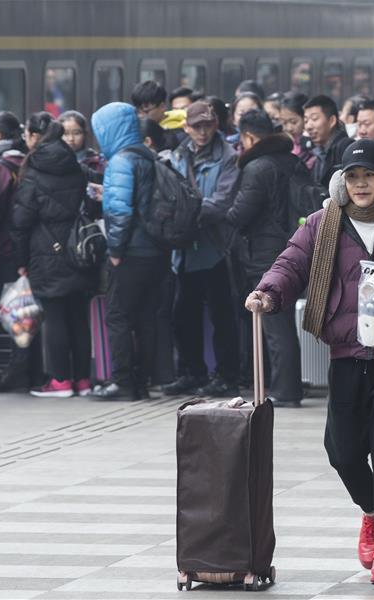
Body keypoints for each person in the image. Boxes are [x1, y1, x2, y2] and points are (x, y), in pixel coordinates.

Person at [247, 138, 374, 584]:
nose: (361, 184)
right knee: (342, 451)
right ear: (342, 181)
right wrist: (268, 292)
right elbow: (292, 262)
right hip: (347, 353)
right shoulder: (324, 223)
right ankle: (372, 511)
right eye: (353, 176)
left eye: (370, 175)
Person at [210, 109, 304, 407]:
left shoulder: (257, 167)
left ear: (249, 136)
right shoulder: (292, 160)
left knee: (275, 327)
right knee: (282, 322)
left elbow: (240, 213)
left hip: (265, 253)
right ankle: (284, 386)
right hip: (292, 246)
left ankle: (285, 390)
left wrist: (222, 211)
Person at [11, 117, 96, 397]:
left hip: (45, 251)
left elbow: (21, 221)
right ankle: (83, 380)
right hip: (78, 248)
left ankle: (60, 380)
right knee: (78, 317)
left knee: (55, 316)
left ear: (36, 136)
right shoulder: (76, 167)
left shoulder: (33, 171)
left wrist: (21, 261)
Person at [91, 102, 170, 400]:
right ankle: (142, 381)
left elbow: (120, 212)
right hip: (155, 251)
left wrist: (115, 249)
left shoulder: (121, 161)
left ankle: (122, 382)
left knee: (118, 316)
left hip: (131, 252)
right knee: (146, 317)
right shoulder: (147, 156)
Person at [163, 100, 241, 397]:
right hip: (183, 249)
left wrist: (186, 213)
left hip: (215, 248)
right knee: (184, 315)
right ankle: (191, 372)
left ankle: (227, 375)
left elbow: (222, 202)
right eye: (197, 126)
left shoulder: (228, 157)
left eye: (207, 125)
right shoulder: (178, 155)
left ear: (216, 125)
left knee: (222, 315)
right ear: (187, 127)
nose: (203, 131)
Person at [0, 110, 37, 394]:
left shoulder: (0, 167)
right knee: (24, 309)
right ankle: (27, 368)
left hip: (6, 249)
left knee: (15, 312)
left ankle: (17, 371)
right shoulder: (26, 160)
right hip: (25, 246)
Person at [304, 94, 350, 188]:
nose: (308, 126)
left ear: (332, 121)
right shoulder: (317, 152)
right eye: (306, 121)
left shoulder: (345, 147)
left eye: (314, 119)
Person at [58, 110, 105, 183]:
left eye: (76, 133)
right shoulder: (52, 162)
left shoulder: (97, 163)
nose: (71, 139)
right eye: (65, 134)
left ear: (85, 134)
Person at [278, 94, 313, 166]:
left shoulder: (314, 143)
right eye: (284, 123)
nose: (289, 128)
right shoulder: (284, 144)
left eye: (293, 122)